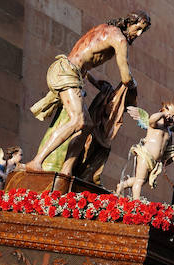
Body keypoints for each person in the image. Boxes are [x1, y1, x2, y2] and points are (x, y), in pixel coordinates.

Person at [27, 11, 150, 172]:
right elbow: (126, 77)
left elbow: (83, 57)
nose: (139, 34)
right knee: (78, 120)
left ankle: (67, 169)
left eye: (143, 31)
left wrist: (94, 81)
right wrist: (134, 85)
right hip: (67, 72)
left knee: (87, 124)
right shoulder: (119, 39)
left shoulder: (104, 28)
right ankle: (36, 162)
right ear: (129, 23)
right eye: (138, 28)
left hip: (69, 71)